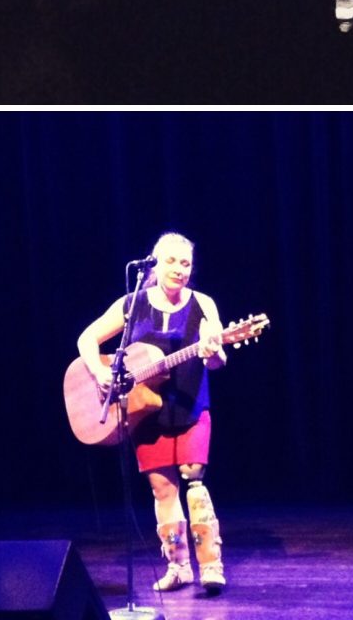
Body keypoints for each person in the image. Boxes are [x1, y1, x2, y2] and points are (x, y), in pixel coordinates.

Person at [76, 232, 228, 593]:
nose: (179, 269)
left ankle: (210, 565)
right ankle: (178, 568)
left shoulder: (203, 304)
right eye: (172, 261)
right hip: (146, 412)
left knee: (194, 477)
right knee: (162, 489)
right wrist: (100, 372)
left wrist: (213, 353)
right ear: (156, 262)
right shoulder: (132, 304)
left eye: (186, 263)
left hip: (190, 407)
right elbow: (87, 339)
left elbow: (219, 360)